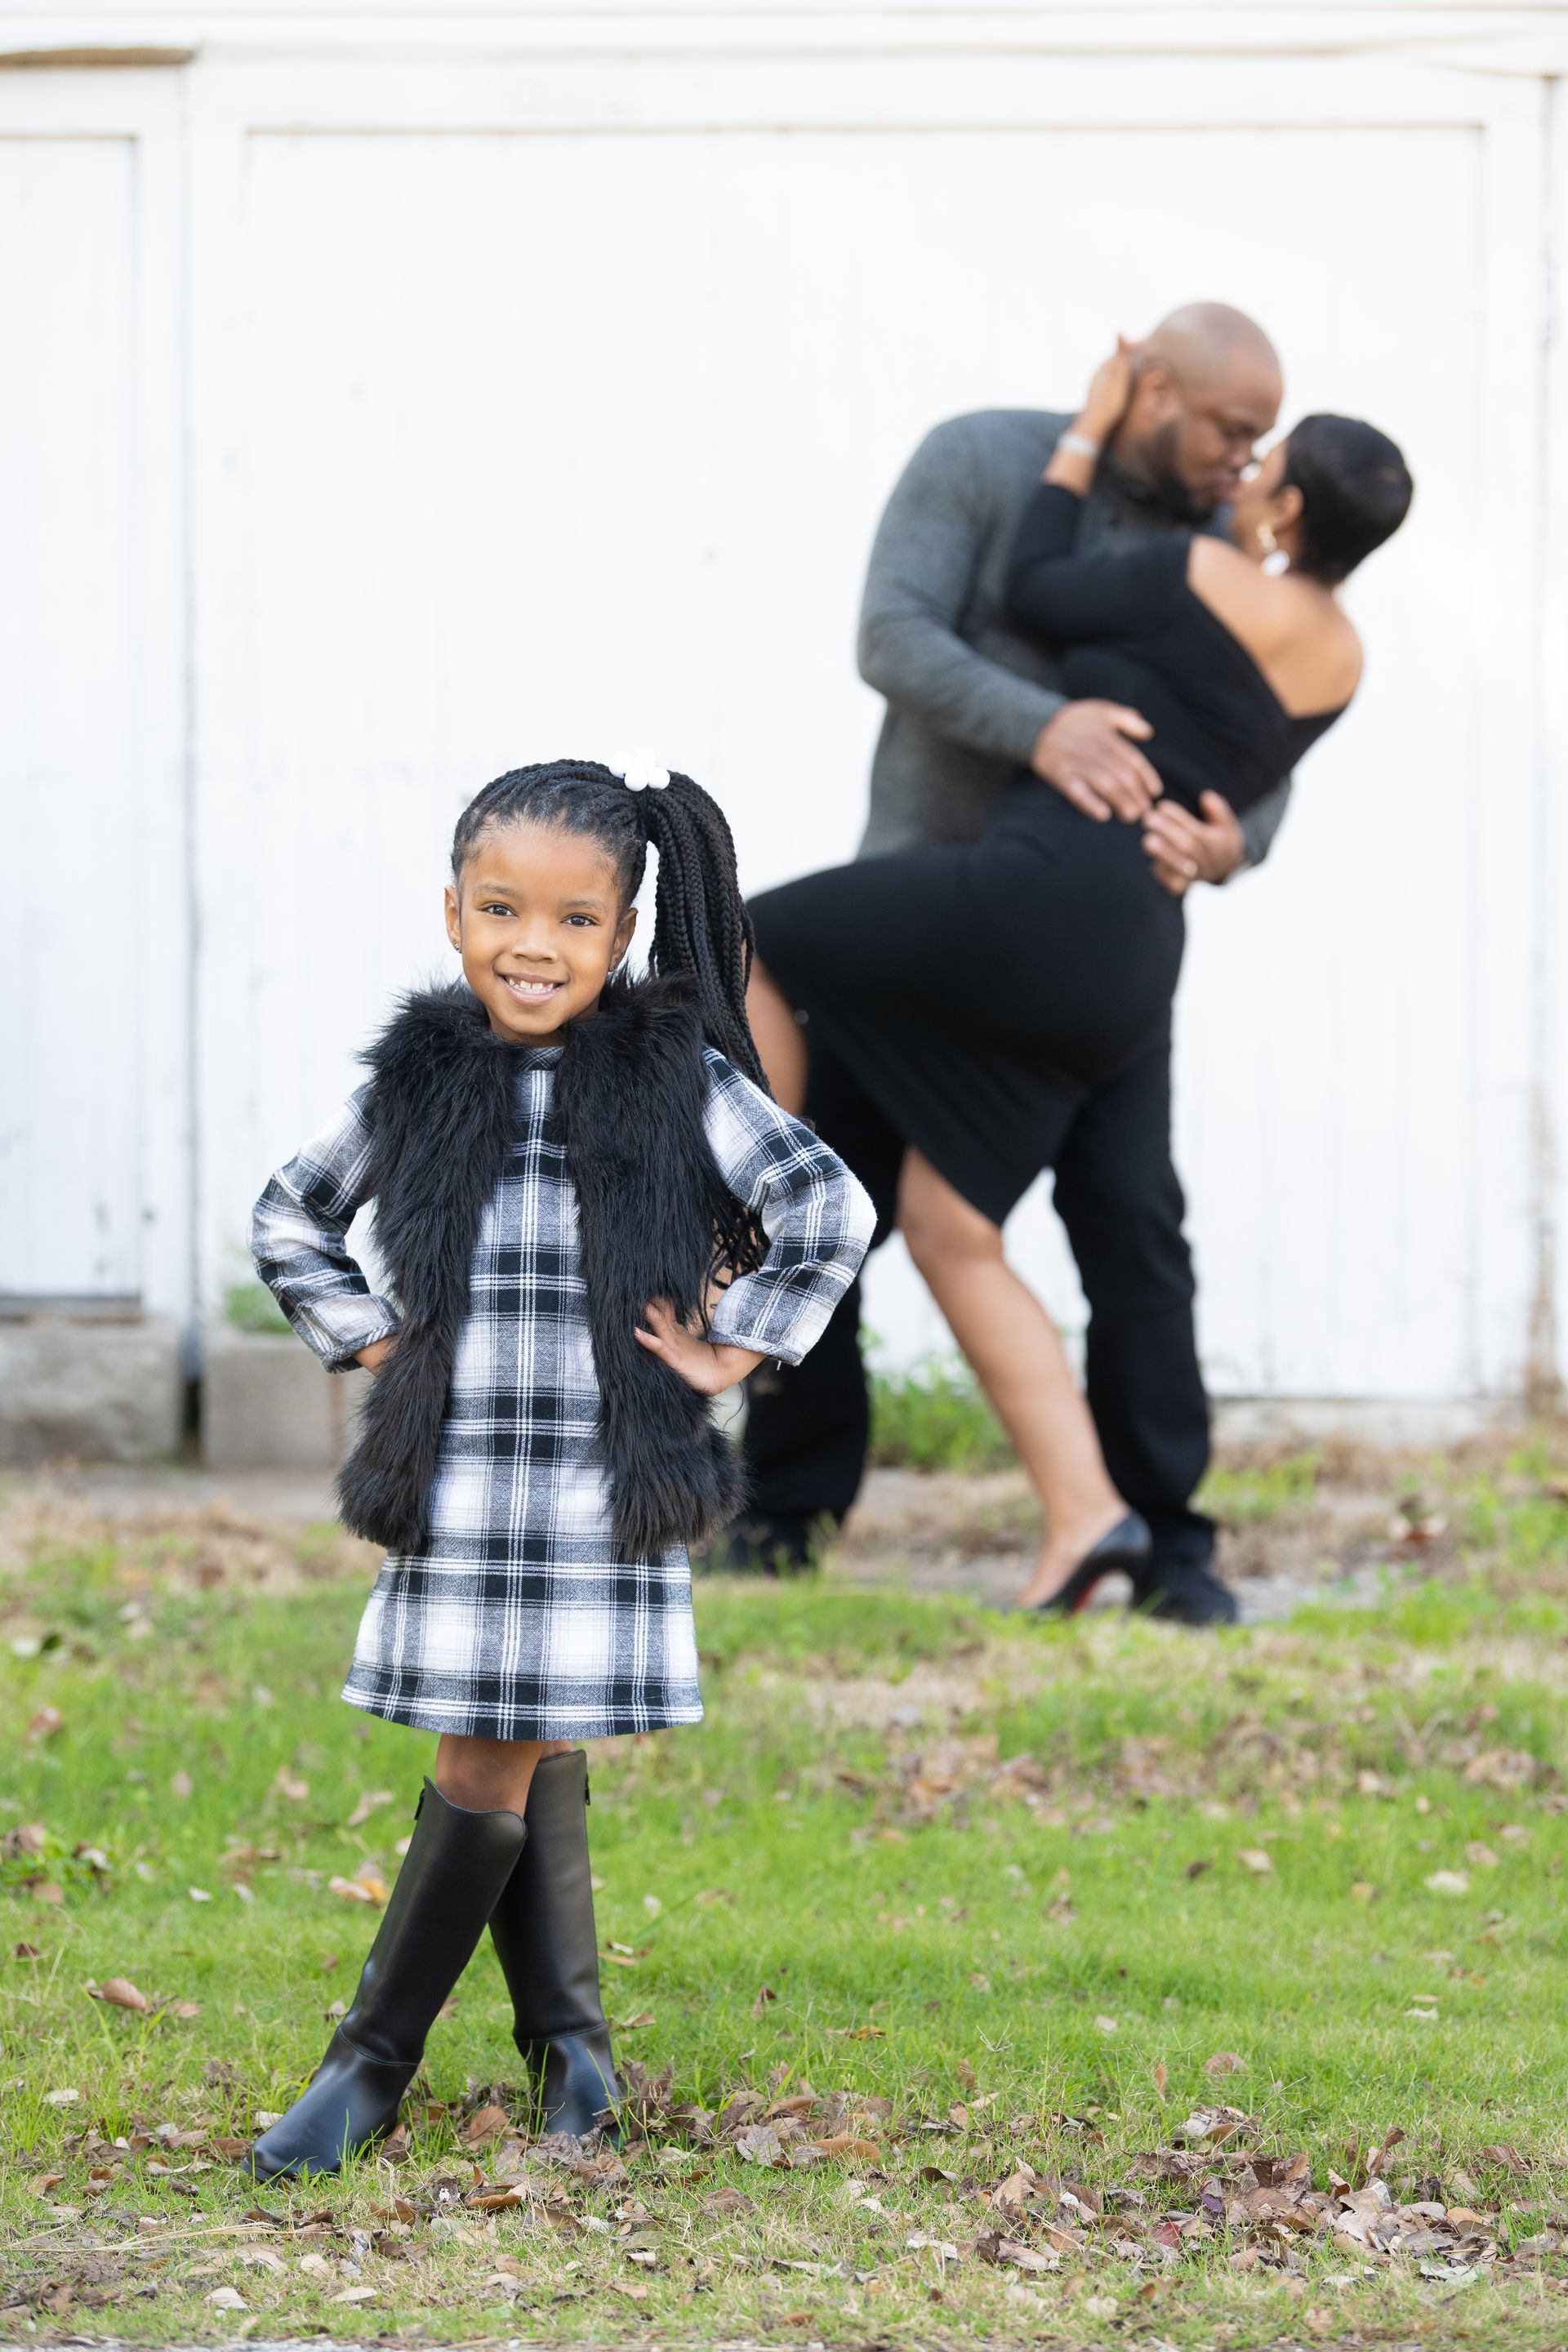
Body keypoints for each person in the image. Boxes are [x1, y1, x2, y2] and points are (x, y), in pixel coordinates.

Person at [245, 758, 873, 2180]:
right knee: (522, 1738)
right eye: (502, 909)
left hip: (600, 1479)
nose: (536, 944)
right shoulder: (419, 1078)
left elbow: (821, 1200)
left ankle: (369, 2069)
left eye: (577, 920)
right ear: (454, 912)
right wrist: (365, 1345)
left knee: (491, 1748)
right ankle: (572, 2057)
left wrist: (741, 1346)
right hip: (464, 1474)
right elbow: (293, 1217)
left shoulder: (675, 1077)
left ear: (626, 927)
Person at [743, 334, 1412, 1617]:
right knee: (846, 1211)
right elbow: (891, 637)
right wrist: (1042, 728)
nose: (1242, 459)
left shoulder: (1221, 541)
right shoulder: (988, 455)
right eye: (1228, 427)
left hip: (1077, 933)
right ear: (1151, 387)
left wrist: (1228, 845)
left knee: (1133, 1227)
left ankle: (1167, 1541)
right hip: (935, 899)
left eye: (1261, 442)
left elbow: (1252, 784)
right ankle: (787, 1511)